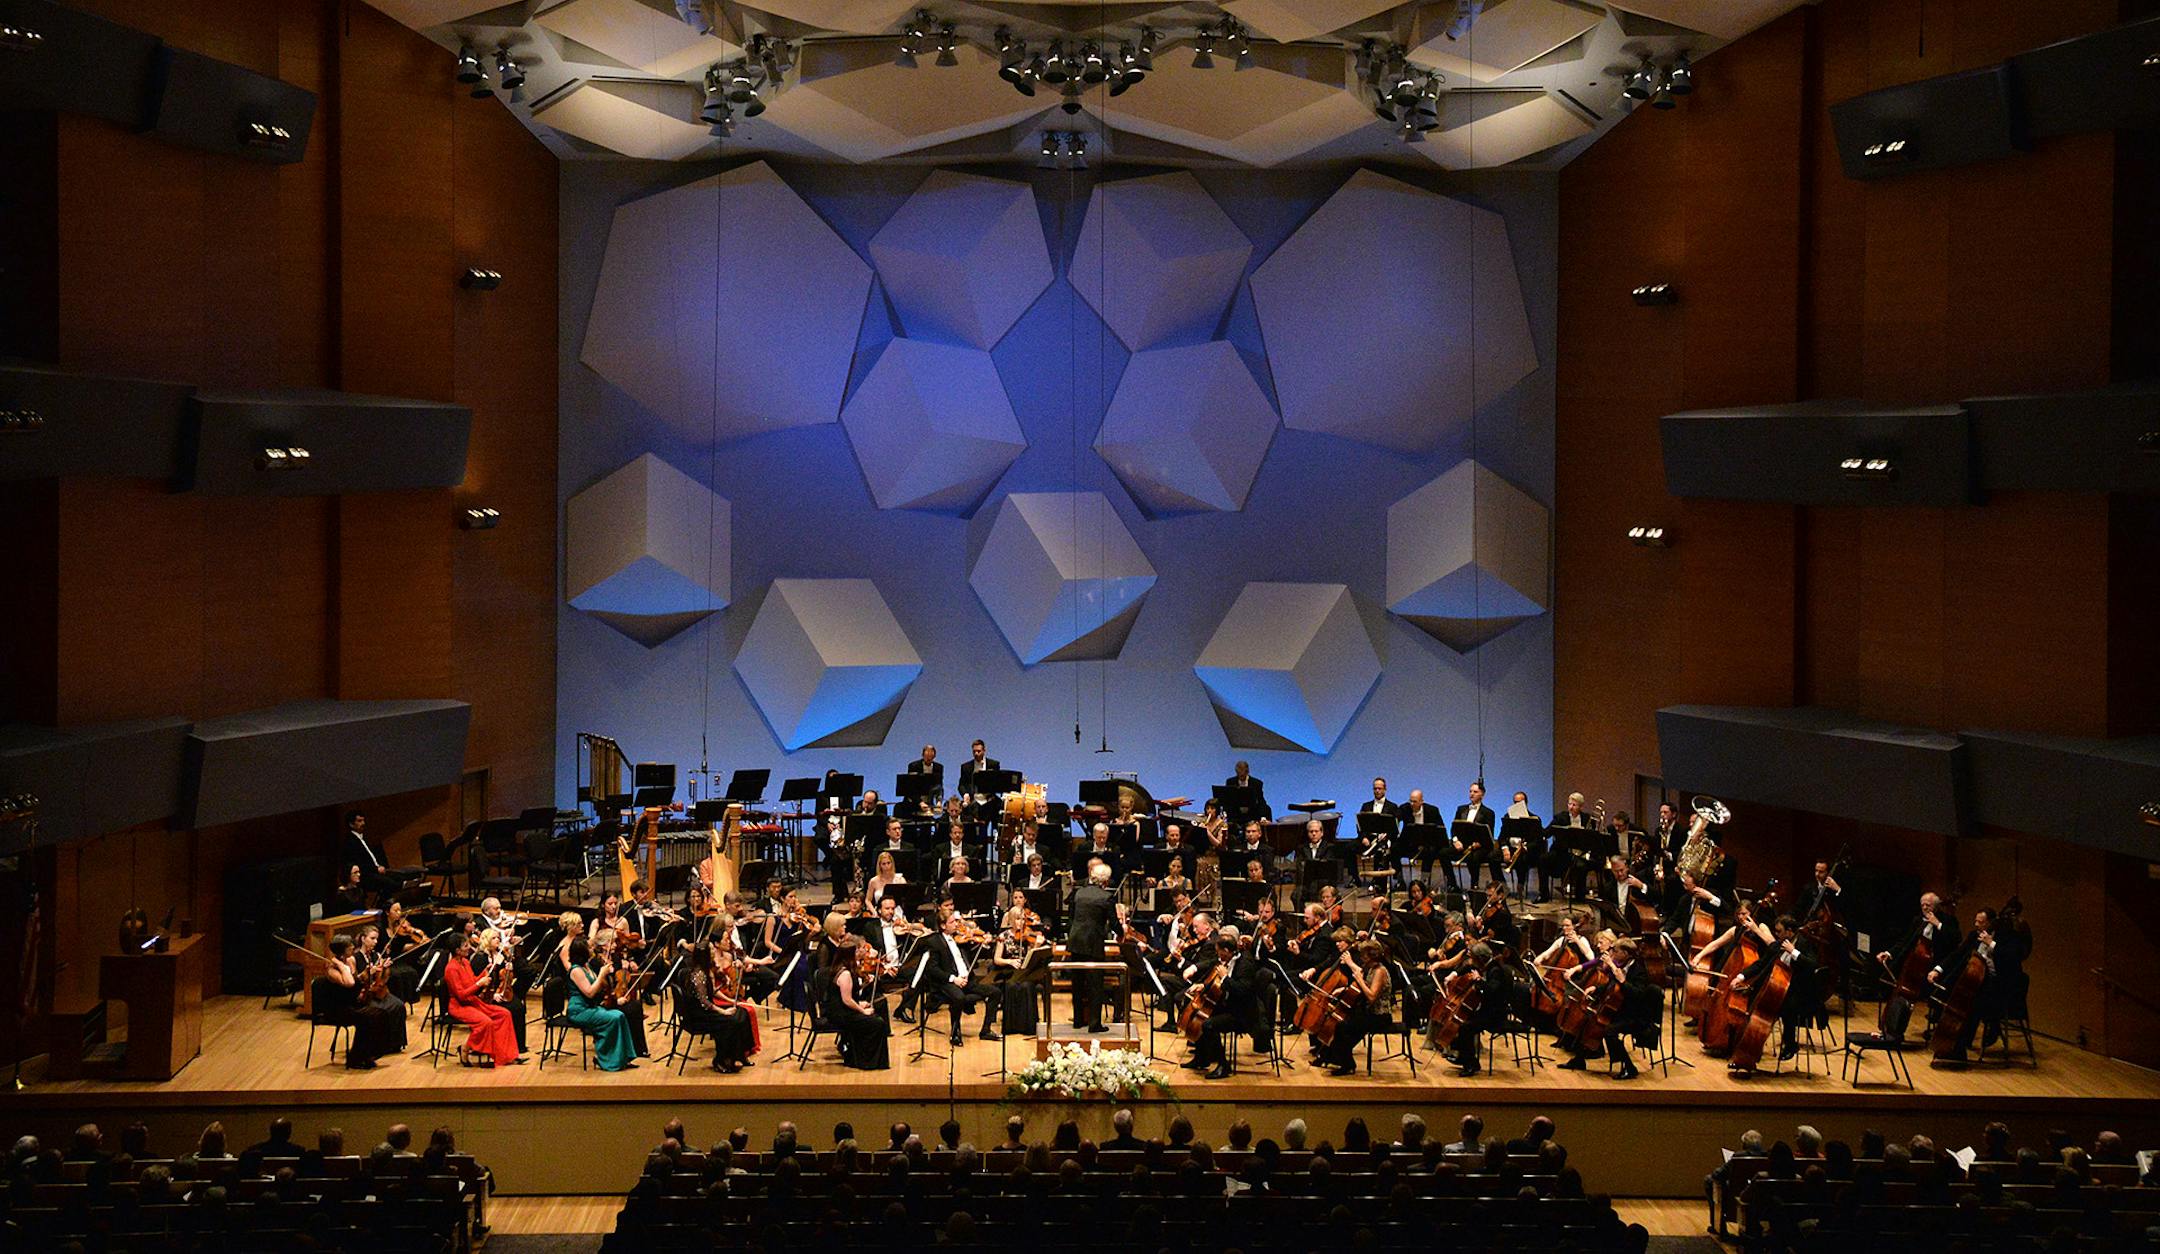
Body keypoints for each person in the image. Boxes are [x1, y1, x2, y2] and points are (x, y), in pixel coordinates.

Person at [1186, 933, 1271, 1080]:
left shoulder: (1246, 963)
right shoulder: (1229, 959)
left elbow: (1242, 990)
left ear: (1226, 950)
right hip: (1230, 1005)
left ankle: (1223, 1066)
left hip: (1243, 1013)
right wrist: (1203, 986)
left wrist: (1225, 977)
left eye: (1218, 951)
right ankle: (1202, 1058)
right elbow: (1217, 984)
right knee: (1198, 1012)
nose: (1217, 955)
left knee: (1209, 1025)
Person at [322, 935, 405, 1070]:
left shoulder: (346, 963)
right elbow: (349, 982)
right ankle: (355, 1058)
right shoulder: (331, 968)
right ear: (343, 949)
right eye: (350, 946)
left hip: (352, 1004)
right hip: (338, 1009)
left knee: (380, 1013)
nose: (353, 947)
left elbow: (358, 979)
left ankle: (368, 1054)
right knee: (369, 1017)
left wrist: (367, 971)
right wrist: (341, 966)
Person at [1313, 941, 1391, 1078]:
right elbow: (1363, 988)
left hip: (1379, 1016)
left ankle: (1346, 1063)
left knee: (1343, 1027)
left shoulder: (1380, 971)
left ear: (1371, 956)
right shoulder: (1371, 968)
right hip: (1368, 1013)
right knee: (1341, 1024)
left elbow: (1372, 996)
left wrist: (1359, 979)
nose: (1361, 959)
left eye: (1364, 956)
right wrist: (1344, 989)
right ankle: (1334, 1057)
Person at [920, 910, 998, 1044]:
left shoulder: (959, 938)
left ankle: (986, 1030)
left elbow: (975, 951)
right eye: (952, 922)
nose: (956, 924)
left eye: (956, 921)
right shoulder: (934, 942)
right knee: (959, 997)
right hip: (947, 982)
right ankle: (955, 1032)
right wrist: (953, 979)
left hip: (966, 980)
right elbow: (932, 969)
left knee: (995, 992)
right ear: (943, 925)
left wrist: (986, 940)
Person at [678, 941, 757, 1072]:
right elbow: (704, 1002)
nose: (714, 951)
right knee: (730, 1021)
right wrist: (723, 1012)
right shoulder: (699, 975)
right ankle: (721, 1060)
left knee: (742, 1012)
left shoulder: (707, 969)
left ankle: (740, 1054)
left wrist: (732, 1001)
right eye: (711, 950)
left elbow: (713, 991)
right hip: (699, 1014)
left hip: (707, 1009)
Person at [443, 934, 521, 1067]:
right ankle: (466, 1048)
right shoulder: (451, 969)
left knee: (504, 1014)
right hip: (459, 1006)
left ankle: (506, 1055)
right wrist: (480, 984)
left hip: (472, 1002)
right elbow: (461, 995)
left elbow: (472, 981)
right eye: (465, 945)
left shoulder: (466, 962)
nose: (469, 948)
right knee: (485, 1022)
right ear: (457, 950)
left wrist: (485, 972)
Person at [563, 937, 637, 1071]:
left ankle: (622, 1058)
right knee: (613, 1018)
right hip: (579, 1011)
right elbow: (590, 992)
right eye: (589, 948)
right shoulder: (576, 971)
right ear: (582, 951)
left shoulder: (587, 966)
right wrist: (601, 975)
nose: (592, 949)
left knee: (619, 1015)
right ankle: (606, 1059)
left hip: (590, 1007)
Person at [828, 937, 891, 1070]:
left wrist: (860, 1002)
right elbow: (847, 1000)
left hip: (844, 1009)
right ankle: (866, 1061)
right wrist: (862, 1010)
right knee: (877, 1023)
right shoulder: (844, 974)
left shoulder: (844, 968)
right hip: (841, 1014)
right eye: (855, 951)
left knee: (876, 1017)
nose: (859, 952)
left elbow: (850, 995)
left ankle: (862, 1057)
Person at [1068, 861, 1116, 1032]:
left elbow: (1071, 917)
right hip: (1093, 943)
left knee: (1077, 983)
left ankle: (1078, 1019)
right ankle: (1094, 1023)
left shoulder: (1078, 892)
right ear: (1105, 881)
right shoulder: (1107, 897)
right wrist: (1121, 931)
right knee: (1095, 985)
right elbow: (1114, 923)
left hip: (1075, 941)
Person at [343, 811, 421, 906]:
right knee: (391, 883)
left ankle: (399, 903)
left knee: (403, 877)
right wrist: (376, 869)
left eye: (363, 820)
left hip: (377, 871)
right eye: (359, 821)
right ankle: (386, 905)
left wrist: (381, 867)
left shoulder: (366, 838)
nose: (363, 823)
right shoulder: (350, 842)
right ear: (351, 824)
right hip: (366, 875)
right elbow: (359, 864)